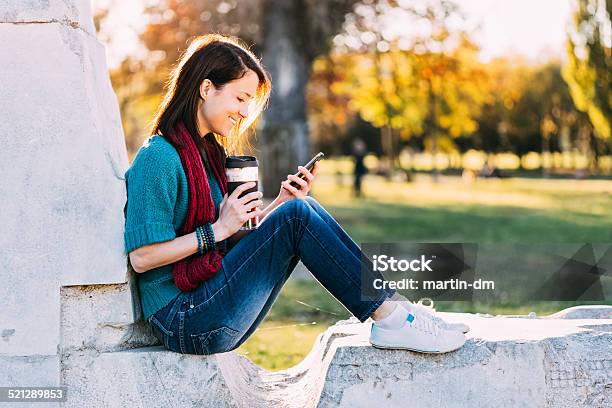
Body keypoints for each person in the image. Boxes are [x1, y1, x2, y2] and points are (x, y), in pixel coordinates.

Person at [123, 34, 468, 357]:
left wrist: (279, 205)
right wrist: (219, 229)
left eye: (249, 102)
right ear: (206, 88)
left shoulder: (205, 154)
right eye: (240, 98)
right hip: (182, 319)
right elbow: (143, 257)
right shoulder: (159, 157)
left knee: (301, 207)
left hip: (205, 302)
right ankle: (391, 318)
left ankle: (397, 309)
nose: (245, 112)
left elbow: (232, 240)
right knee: (297, 217)